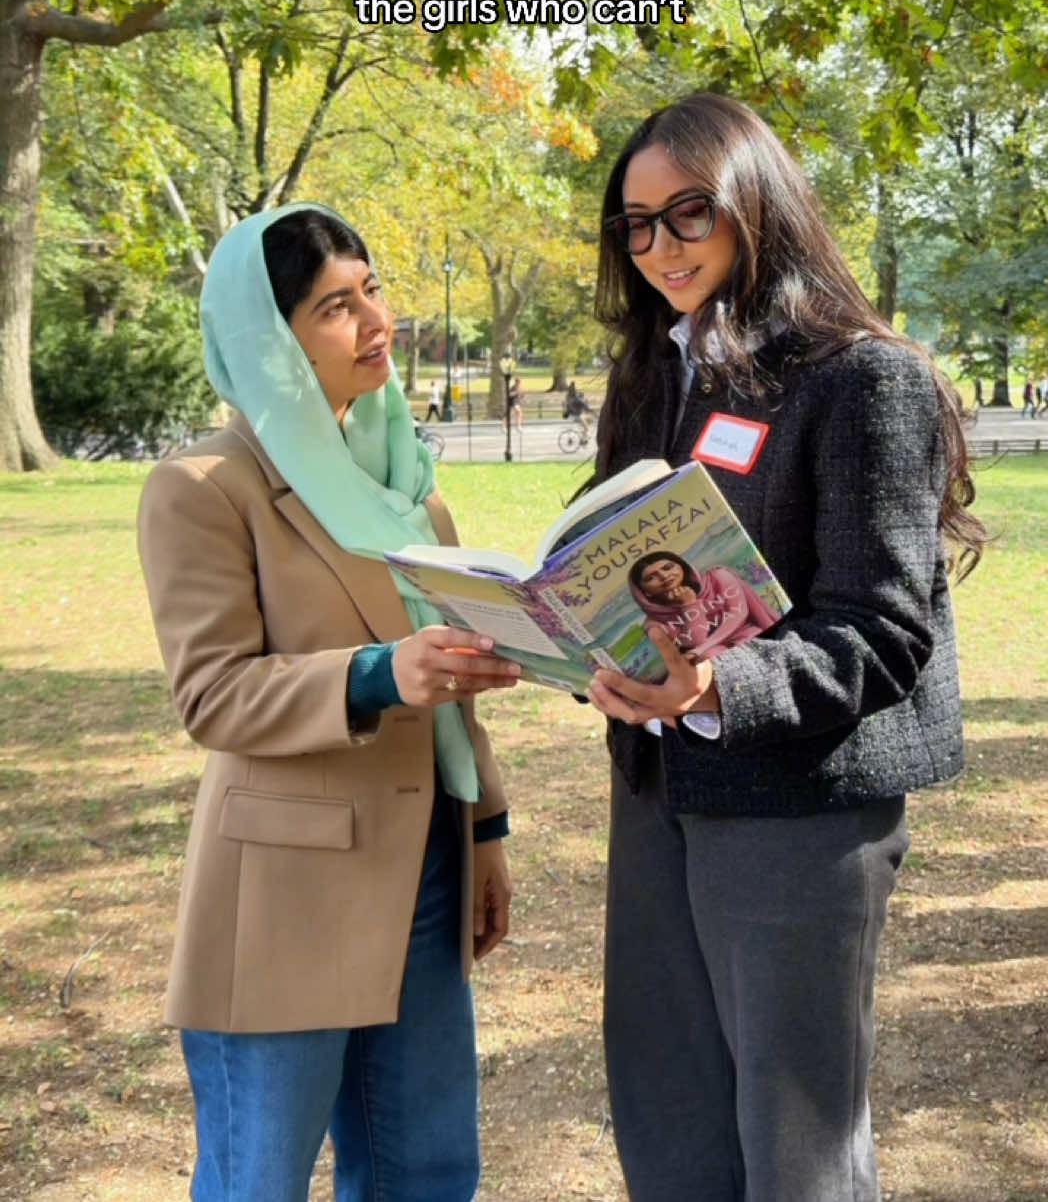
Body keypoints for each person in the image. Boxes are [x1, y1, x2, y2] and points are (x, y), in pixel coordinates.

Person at [579, 92, 984, 1202]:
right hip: (658, 790)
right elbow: (607, 555)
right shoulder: (657, 370)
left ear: (756, 203)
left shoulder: (866, 378)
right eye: (636, 225)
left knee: (796, 1153)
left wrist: (718, 685)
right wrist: (564, 633)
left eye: (689, 212)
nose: (661, 246)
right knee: (669, 1124)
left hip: (798, 811)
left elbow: (882, 629)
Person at [137, 205, 521, 1202]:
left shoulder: (409, 483)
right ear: (270, 340)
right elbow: (213, 694)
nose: (376, 321)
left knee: (426, 1172)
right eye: (335, 306)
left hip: (427, 869)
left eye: (372, 289)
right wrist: (376, 675)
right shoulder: (204, 486)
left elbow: (454, 696)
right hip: (285, 898)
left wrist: (486, 832)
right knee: (258, 1181)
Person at [627, 551, 777, 661]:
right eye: (651, 578)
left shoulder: (718, 577)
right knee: (708, 657)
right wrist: (689, 604)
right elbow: (695, 641)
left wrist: (700, 649)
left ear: (682, 567)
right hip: (712, 653)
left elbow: (738, 613)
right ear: (643, 591)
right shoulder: (654, 624)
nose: (664, 576)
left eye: (668, 567)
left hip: (748, 634)